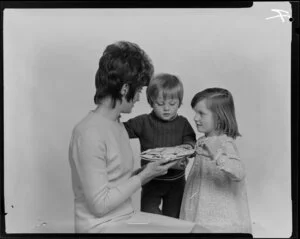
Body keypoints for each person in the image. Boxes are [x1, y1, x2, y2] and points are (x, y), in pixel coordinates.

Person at [68, 41, 209, 233]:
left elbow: (115, 182)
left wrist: (150, 170)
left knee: (200, 231)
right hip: (101, 228)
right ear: (125, 89)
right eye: (139, 90)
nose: (139, 98)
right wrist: (144, 175)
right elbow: (99, 206)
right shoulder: (88, 133)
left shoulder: (116, 124)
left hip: (125, 218)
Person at [123, 73, 196, 218]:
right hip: (151, 181)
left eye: (172, 104)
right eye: (160, 104)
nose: (167, 109)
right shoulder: (143, 122)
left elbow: (191, 143)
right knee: (150, 219)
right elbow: (119, 130)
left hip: (177, 183)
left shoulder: (183, 123)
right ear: (151, 102)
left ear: (180, 102)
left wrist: (186, 149)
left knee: (174, 220)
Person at [179, 88, 252, 233]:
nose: (195, 118)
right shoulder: (201, 140)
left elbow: (239, 173)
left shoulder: (225, 143)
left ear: (219, 117)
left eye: (201, 113)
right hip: (197, 206)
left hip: (219, 215)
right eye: (195, 112)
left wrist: (217, 156)